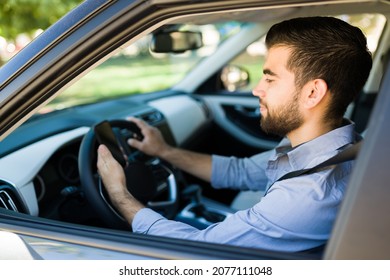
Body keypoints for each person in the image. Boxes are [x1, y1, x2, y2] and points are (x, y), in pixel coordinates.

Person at [97, 16, 372, 252]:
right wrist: (163, 151)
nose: (257, 89)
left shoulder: (306, 196)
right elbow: (240, 171)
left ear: (312, 93)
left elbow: (198, 253)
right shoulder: (329, 144)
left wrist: (119, 194)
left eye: (270, 78)